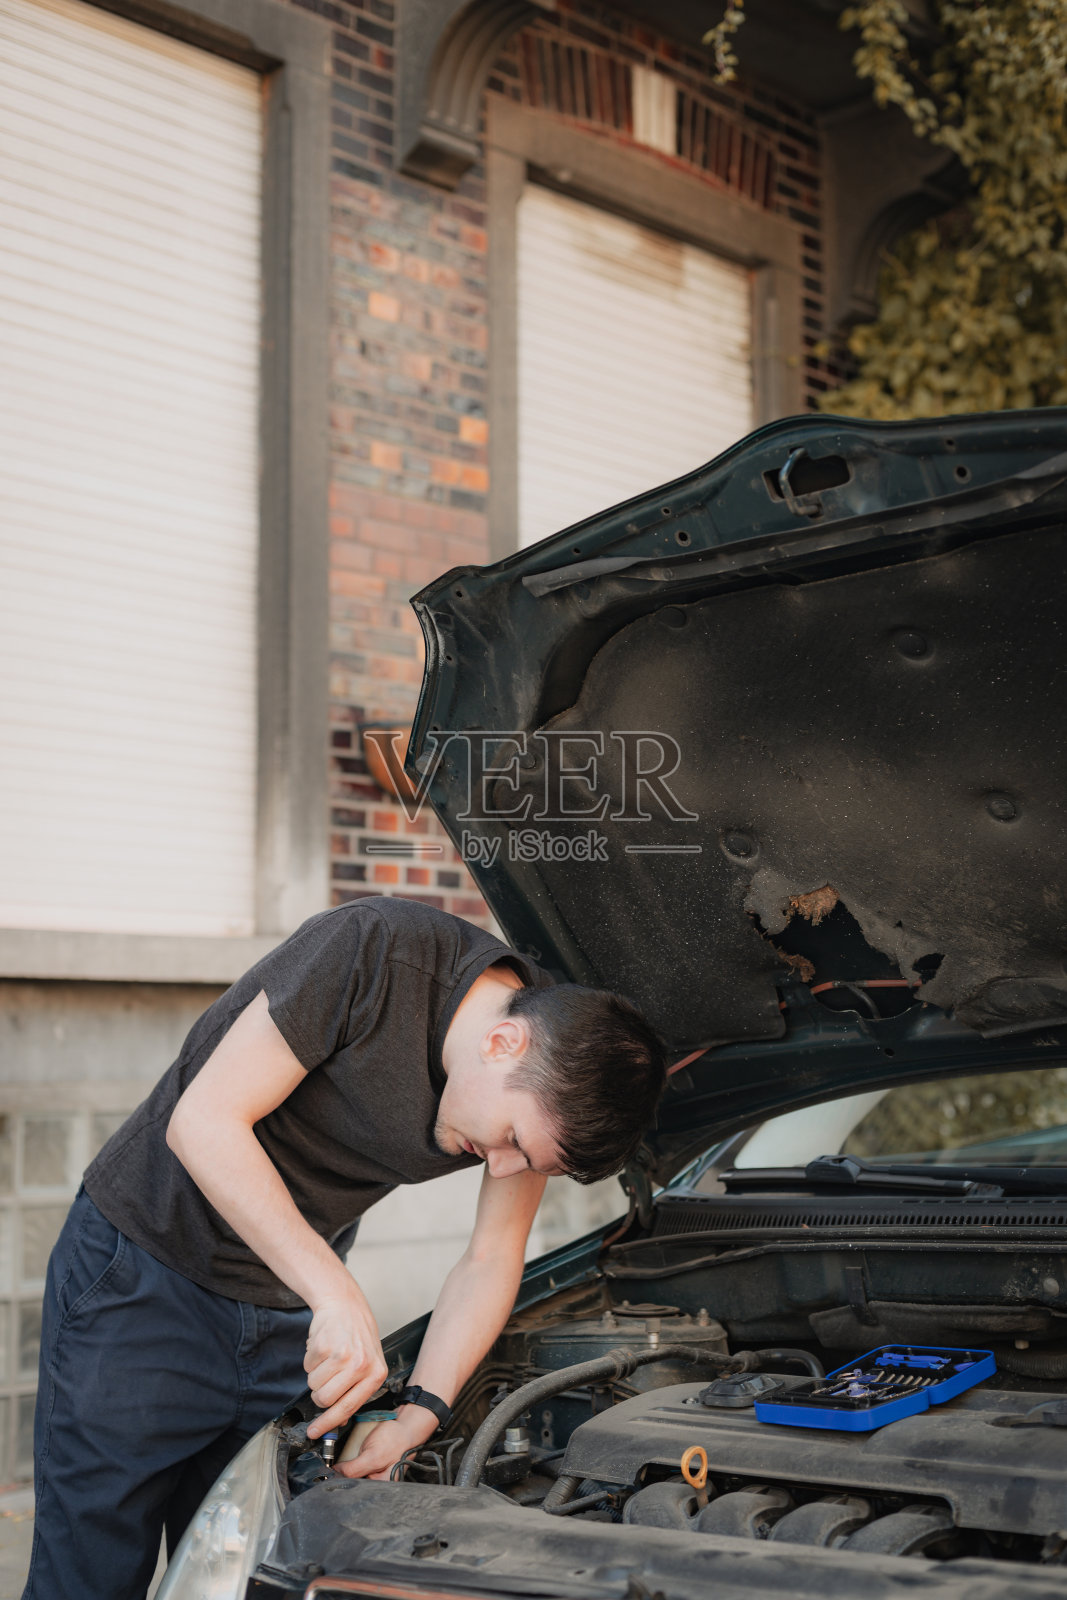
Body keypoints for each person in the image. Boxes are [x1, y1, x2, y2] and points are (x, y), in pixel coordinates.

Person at [23, 895, 665, 1600]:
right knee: (89, 1576)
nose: (504, 1168)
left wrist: (418, 1414)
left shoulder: (551, 1060)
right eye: (511, 1141)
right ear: (503, 1043)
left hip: (286, 1310)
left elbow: (491, 1257)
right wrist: (334, 1292)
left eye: (530, 1163)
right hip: (143, 1281)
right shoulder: (372, 952)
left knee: (242, 1576)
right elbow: (203, 1122)